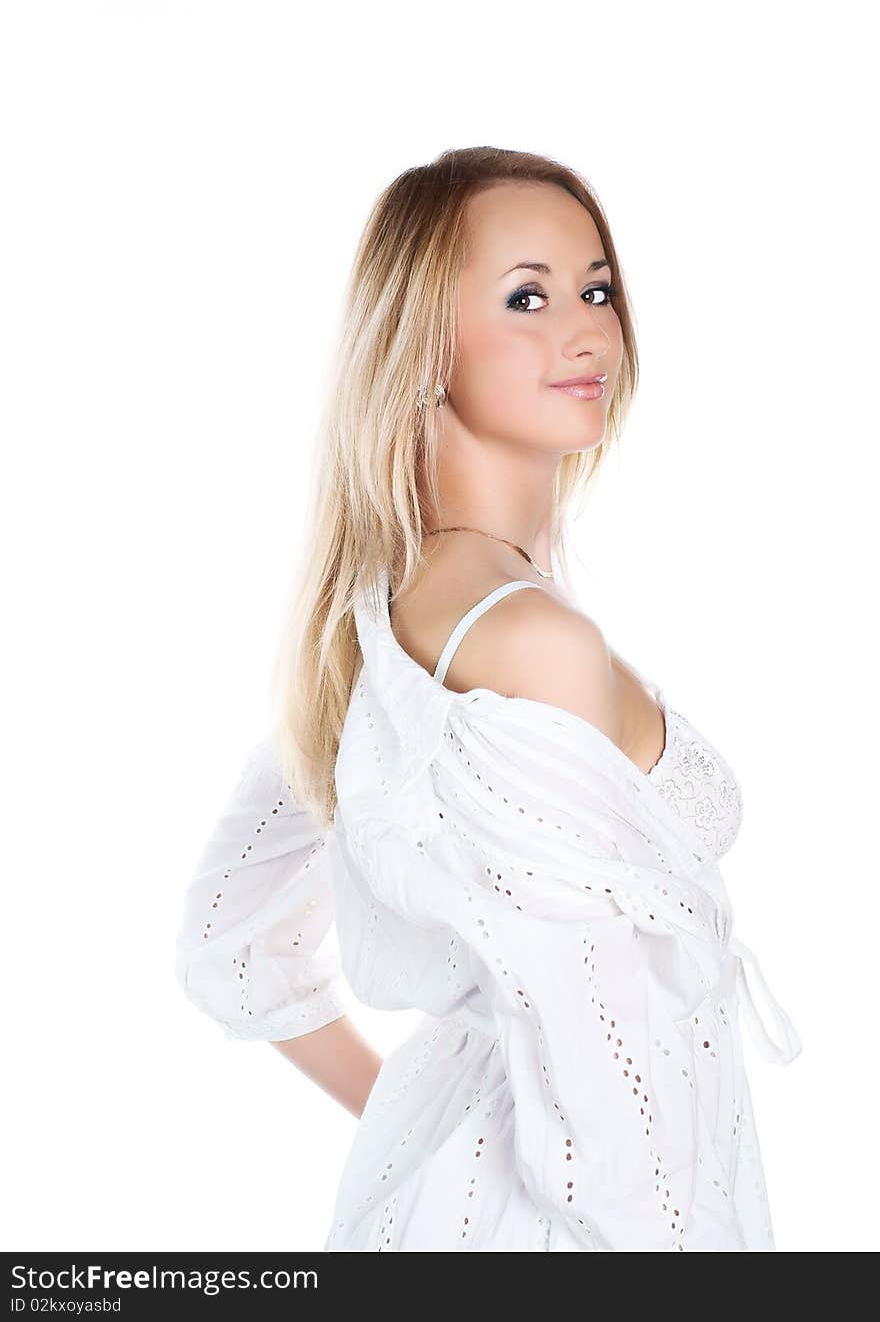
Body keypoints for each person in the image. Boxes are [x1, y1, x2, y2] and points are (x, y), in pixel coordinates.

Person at [174, 146, 802, 1251]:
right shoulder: (534, 640)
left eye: (596, 287)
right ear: (424, 346)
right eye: (527, 295)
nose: (584, 329)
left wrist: (423, 1125)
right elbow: (612, 1092)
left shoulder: (370, 622)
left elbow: (230, 938)